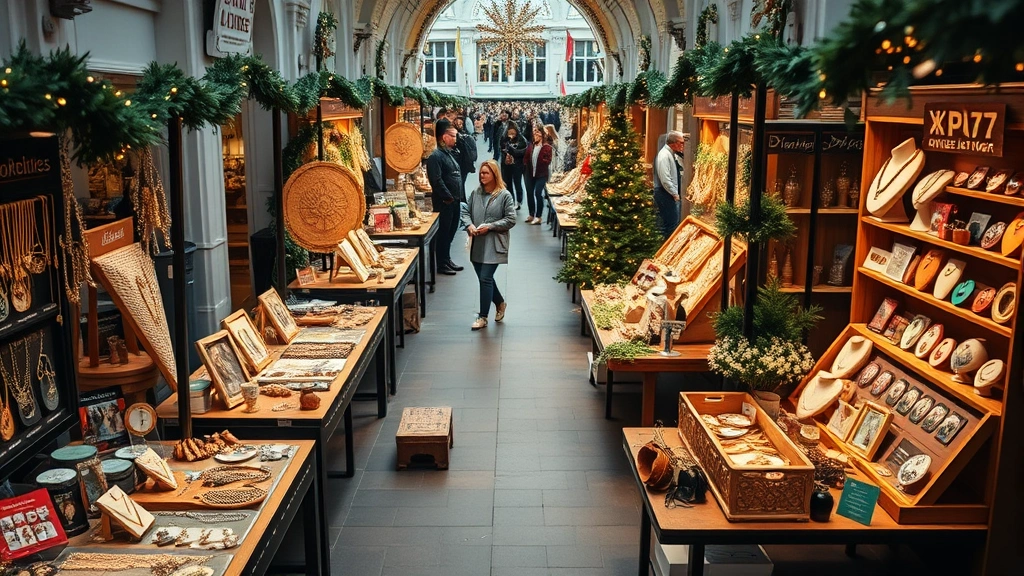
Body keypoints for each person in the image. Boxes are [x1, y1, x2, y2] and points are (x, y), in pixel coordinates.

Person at [461, 159, 517, 330]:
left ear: (494, 174)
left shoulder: (504, 195)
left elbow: (511, 219)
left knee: (485, 278)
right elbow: (465, 211)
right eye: (481, 173)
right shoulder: (476, 193)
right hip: (477, 243)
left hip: (494, 243)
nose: (482, 176)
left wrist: (491, 226)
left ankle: (483, 316)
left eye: (486, 173)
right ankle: (500, 303)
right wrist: (469, 225)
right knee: (485, 278)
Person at [426, 126, 464, 275]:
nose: (456, 139)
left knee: (451, 231)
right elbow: (436, 180)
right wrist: (447, 197)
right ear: (444, 137)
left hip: (454, 201)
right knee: (443, 233)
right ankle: (441, 263)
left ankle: (446, 259)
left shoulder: (448, 154)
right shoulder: (436, 156)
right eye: (453, 136)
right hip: (445, 202)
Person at [653, 131, 686, 239]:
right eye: (681, 143)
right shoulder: (664, 155)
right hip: (665, 193)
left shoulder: (671, 154)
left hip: (667, 193)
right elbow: (665, 179)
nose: (683, 145)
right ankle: (667, 250)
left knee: (670, 223)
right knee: (670, 225)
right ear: (674, 143)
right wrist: (675, 194)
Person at [523, 126, 553, 224]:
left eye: (538, 133)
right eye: (535, 133)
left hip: (541, 174)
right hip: (530, 173)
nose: (536, 135)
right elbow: (526, 157)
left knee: (538, 193)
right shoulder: (531, 146)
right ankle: (531, 214)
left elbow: (548, 160)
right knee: (529, 193)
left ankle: (539, 216)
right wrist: (526, 163)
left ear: (542, 135)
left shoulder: (546, 147)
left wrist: (541, 161)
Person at [500, 124, 528, 211]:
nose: (512, 134)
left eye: (513, 132)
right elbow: (501, 148)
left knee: (517, 183)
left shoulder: (522, 139)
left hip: (517, 165)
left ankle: (519, 201)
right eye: (510, 132)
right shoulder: (504, 139)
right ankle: (511, 201)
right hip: (507, 165)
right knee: (508, 183)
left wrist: (512, 151)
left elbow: (522, 152)